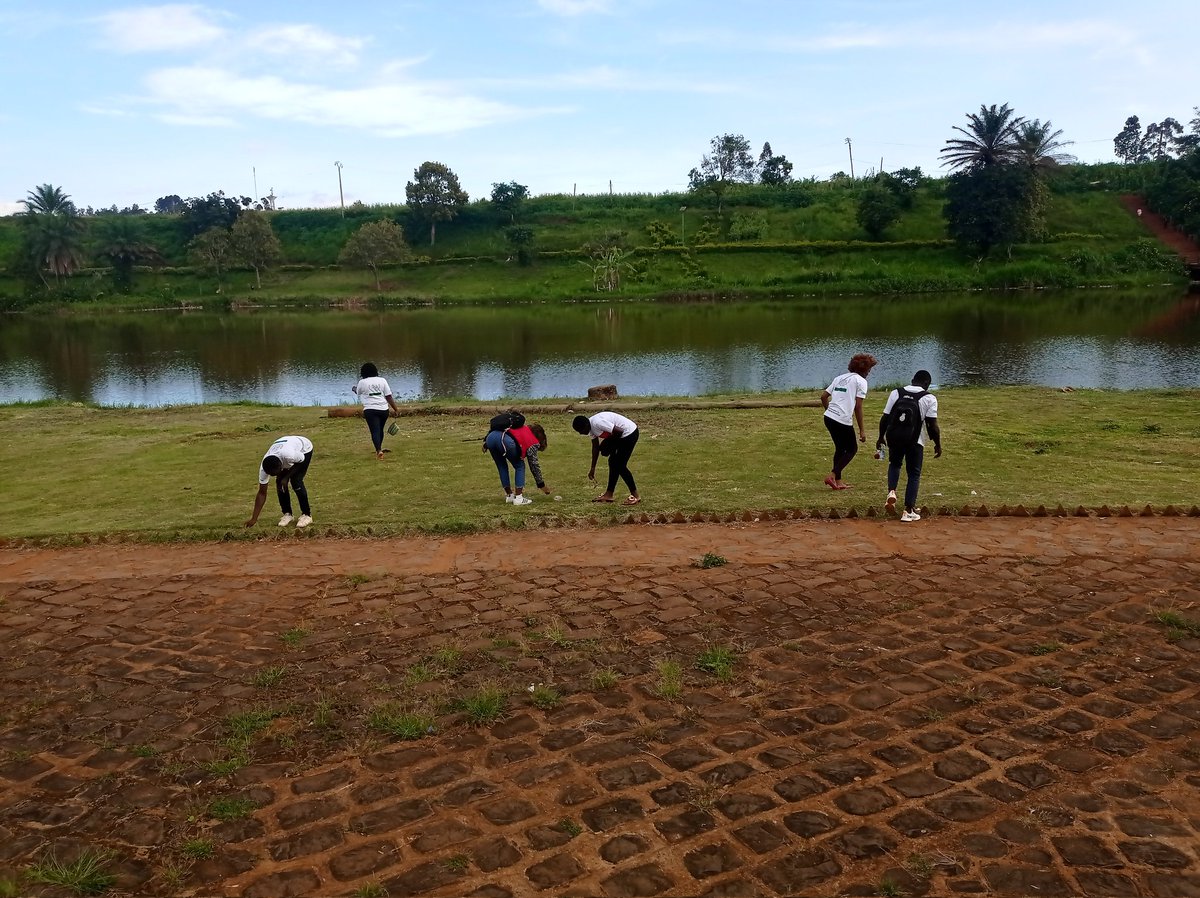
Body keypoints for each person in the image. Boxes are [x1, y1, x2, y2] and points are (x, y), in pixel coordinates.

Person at [876, 370, 942, 522]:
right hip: (915, 441)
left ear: (912, 380)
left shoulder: (896, 393)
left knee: (895, 464)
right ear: (927, 384)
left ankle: (892, 491)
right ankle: (908, 510)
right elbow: (933, 425)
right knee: (914, 474)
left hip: (894, 437)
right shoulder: (929, 398)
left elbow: (885, 418)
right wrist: (937, 444)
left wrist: (881, 437)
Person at [821, 353, 877, 490]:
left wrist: (831, 411)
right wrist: (862, 430)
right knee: (852, 449)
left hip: (828, 417)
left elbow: (823, 397)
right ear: (865, 370)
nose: (869, 373)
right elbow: (858, 407)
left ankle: (838, 482)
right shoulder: (861, 382)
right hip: (842, 419)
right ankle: (832, 475)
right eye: (869, 370)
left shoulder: (839, 378)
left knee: (840, 448)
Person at [245, 435, 314, 528]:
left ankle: (306, 515)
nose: (275, 476)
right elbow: (262, 493)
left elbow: (301, 461)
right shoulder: (264, 468)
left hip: (304, 448)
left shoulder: (289, 456)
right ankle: (287, 514)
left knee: (296, 481)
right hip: (284, 446)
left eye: (276, 473)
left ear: (281, 466)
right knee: (279, 482)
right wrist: (254, 519)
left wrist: (286, 478)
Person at [572, 411, 640, 505]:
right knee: (612, 462)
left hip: (629, 433)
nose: (581, 433)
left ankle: (636, 495)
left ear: (586, 425)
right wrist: (592, 468)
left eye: (581, 430)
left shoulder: (597, 423)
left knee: (620, 465)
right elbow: (595, 448)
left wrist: (607, 444)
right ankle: (609, 494)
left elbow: (619, 431)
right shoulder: (590, 430)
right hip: (620, 436)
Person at [485, 419, 551, 505]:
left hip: (490, 438)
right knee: (520, 465)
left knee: (502, 466)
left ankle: (509, 495)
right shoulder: (534, 441)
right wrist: (541, 485)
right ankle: (519, 497)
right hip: (505, 440)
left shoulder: (520, 428)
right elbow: (534, 465)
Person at [352, 362, 400, 459]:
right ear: (375, 371)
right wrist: (395, 409)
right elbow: (388, 396)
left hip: (370, 410)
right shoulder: (382, 380)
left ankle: (378, 450)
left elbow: (358, 391)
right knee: (380, 430)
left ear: (363, 372)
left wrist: (354, 389)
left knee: (374, 430)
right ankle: (379, 449)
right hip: (383, 409)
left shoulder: (362, 382)